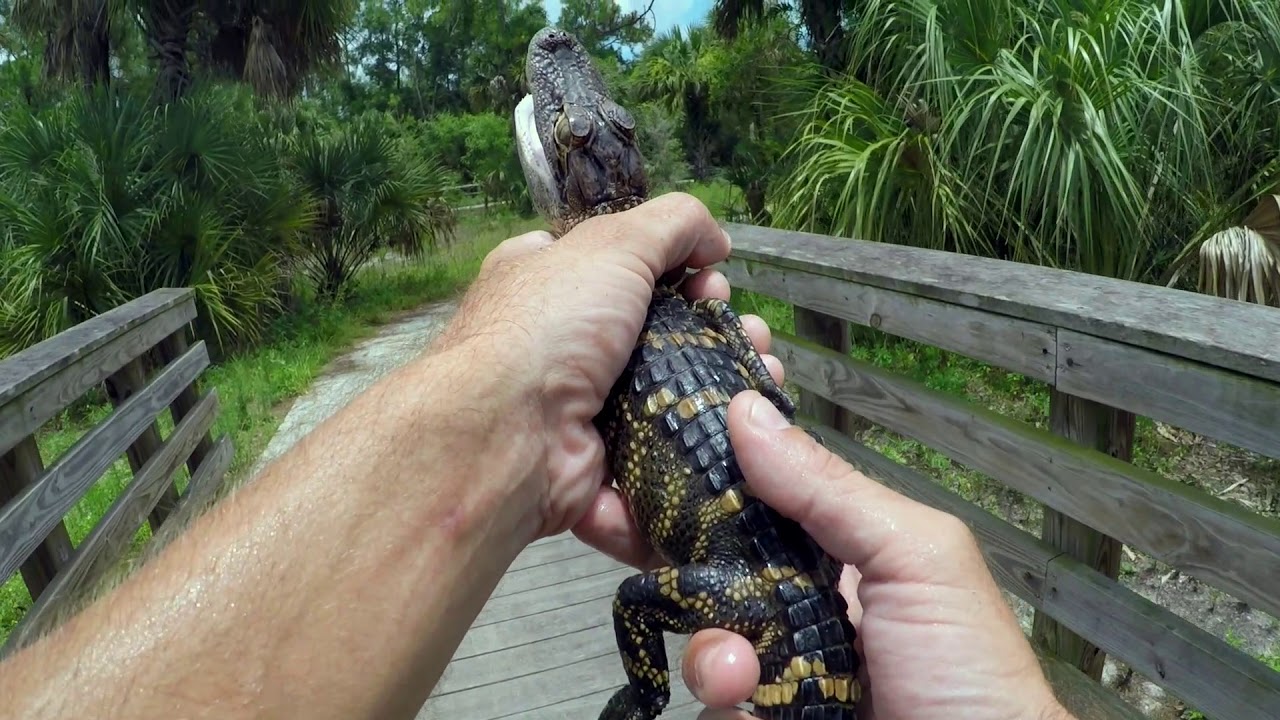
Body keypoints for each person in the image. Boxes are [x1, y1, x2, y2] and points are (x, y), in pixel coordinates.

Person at [0, 193, 1073, 720]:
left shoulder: (655, 290)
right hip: (767, 576)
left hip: (756, 580)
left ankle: (643, 699)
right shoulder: (657, 301)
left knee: (636, 606)